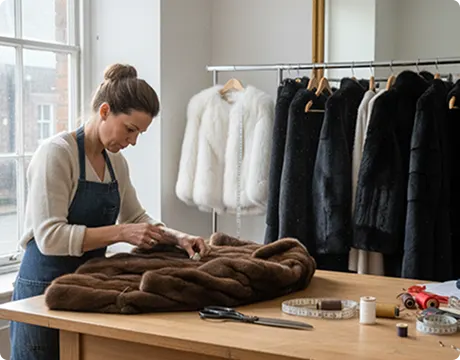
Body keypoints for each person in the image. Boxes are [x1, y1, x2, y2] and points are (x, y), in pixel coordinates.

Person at [9, 63, 208, 360]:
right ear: (104, 112)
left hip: (89, 288)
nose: (133, 141)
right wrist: (121, 233)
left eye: (139, 133)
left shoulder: (116, 163)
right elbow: (50, 237)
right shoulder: (57, 154)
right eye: (130, 129)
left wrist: (177, 237)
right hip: (42, 292)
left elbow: (137, 218)